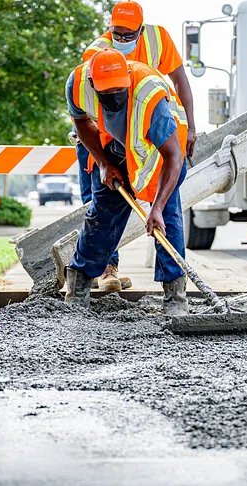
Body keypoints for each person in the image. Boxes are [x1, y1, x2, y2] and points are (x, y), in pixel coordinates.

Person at [76, 0, 197, 292]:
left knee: (167, 212)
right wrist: (104, 163)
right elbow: (82, 121)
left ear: (141, 31)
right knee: (102, 210)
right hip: (105, 141)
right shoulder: (90, 65)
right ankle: (93, 276)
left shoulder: (150, 90)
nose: (122, 39)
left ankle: (174, 290)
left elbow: (180, 81)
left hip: (150, 134)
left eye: (129, 35)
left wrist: (191, 127)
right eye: (117, 33)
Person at [64, 48, 189, 315]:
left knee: (167, 219)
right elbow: (82, 123)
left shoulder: (149, 96)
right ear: (92, 85)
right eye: (105, 93)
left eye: (118, 92)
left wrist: (156, 207)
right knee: (101, 217)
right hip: (113, 151)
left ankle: (175, 298)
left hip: (158, 156)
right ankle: (77, 290)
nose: (113, 99)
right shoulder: (76, 84)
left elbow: (173, 157)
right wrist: (102, 162)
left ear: (128, 80)